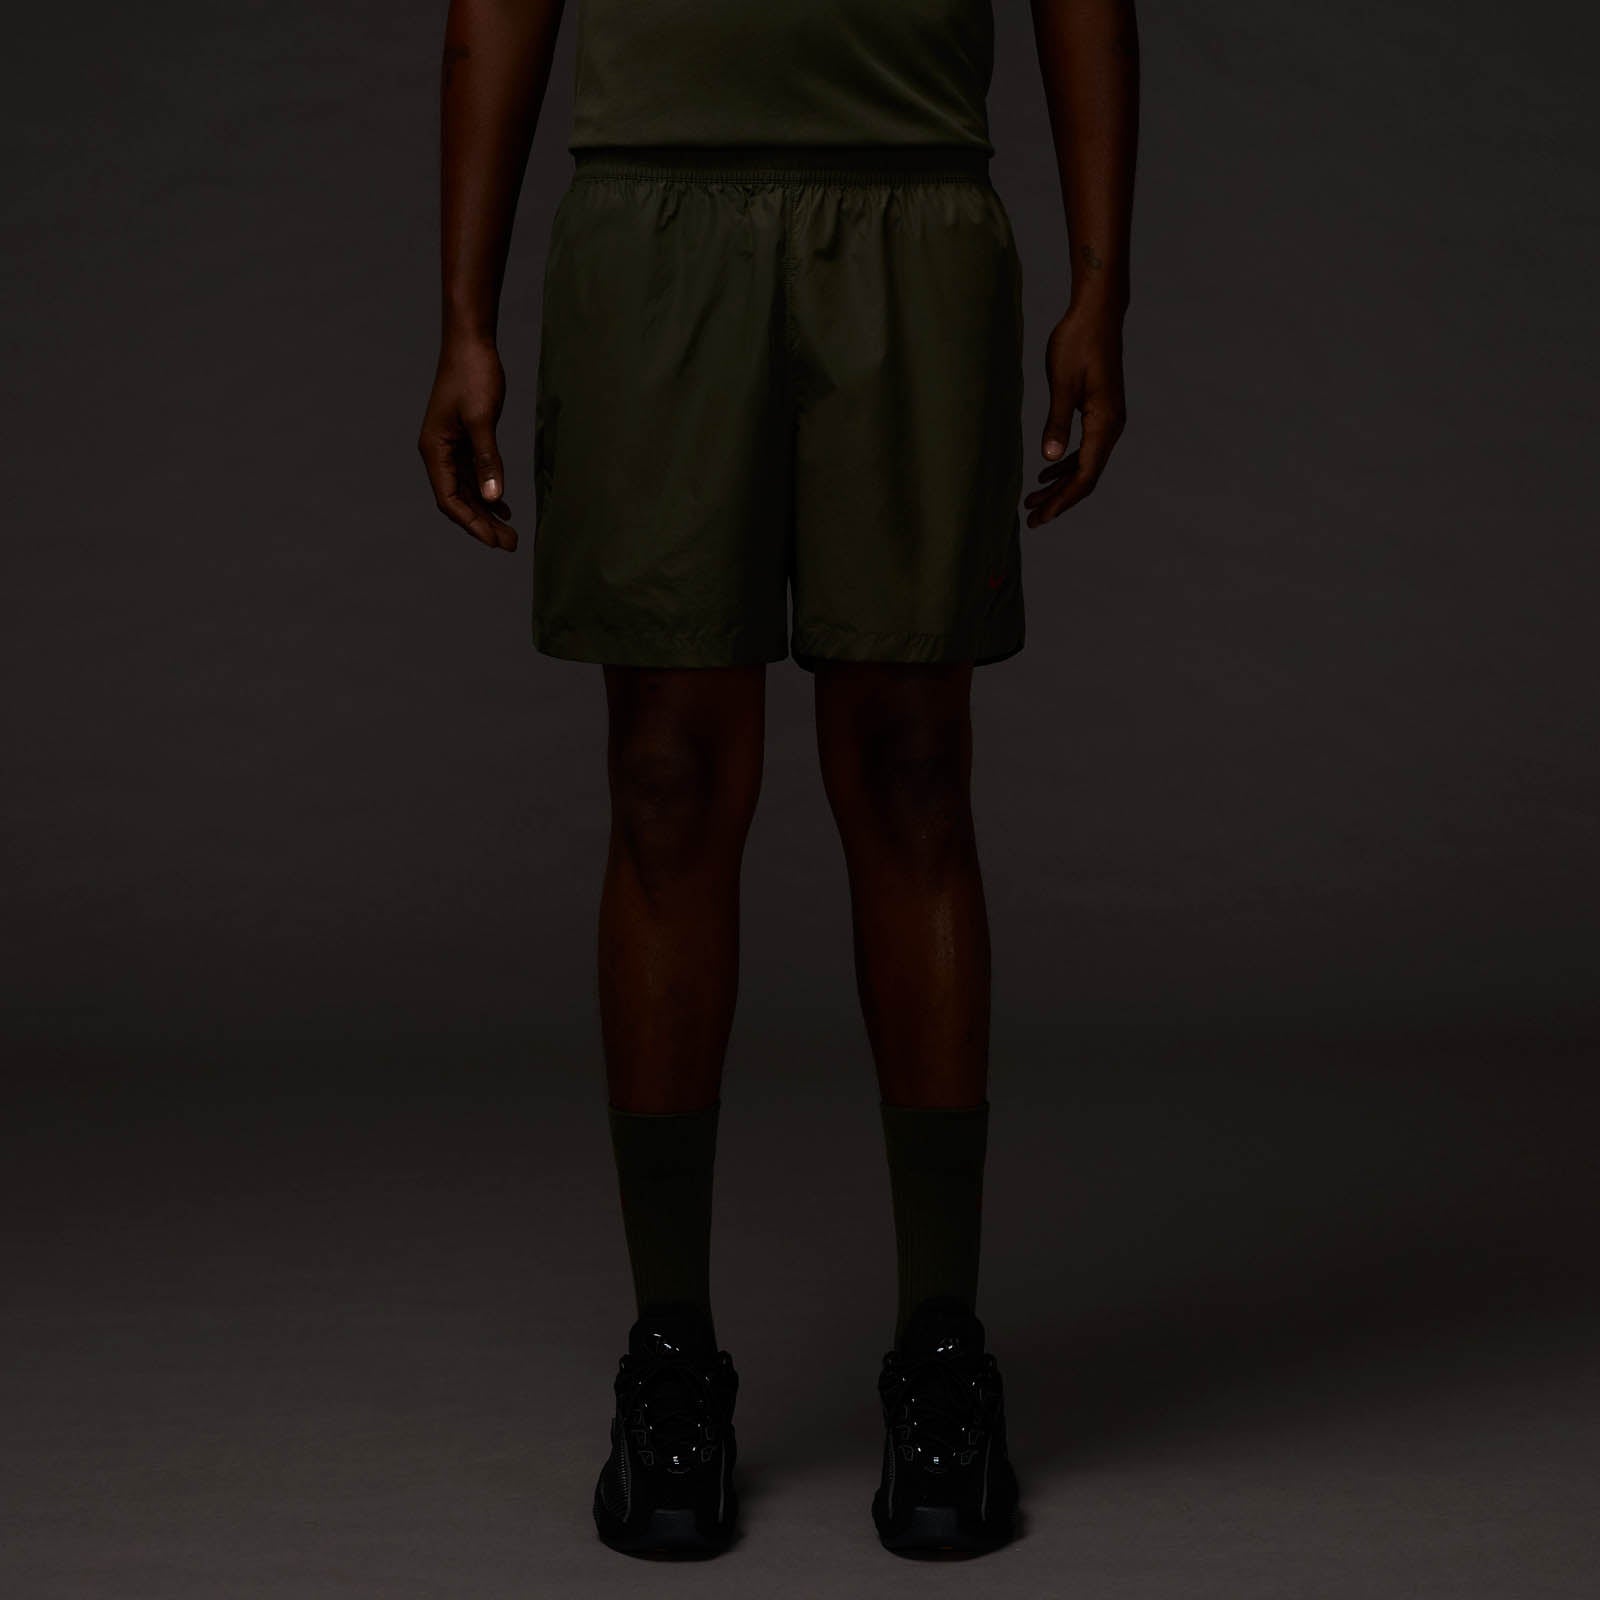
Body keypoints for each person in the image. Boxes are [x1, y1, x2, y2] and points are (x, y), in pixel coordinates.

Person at [418, 0, 1137, 1560]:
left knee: (915, 773)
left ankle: (941, 1352)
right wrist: (463, 311)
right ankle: (670, 1355)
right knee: (667, 781)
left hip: (911, 202)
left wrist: (1102, 282)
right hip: (652, 214)